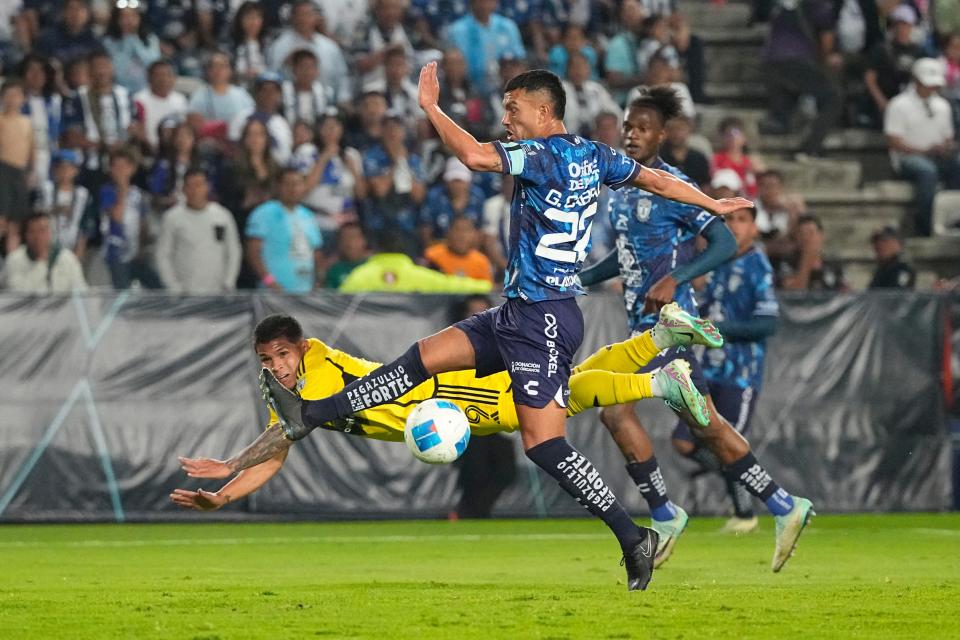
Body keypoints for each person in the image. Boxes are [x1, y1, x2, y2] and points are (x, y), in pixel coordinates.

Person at [187, 65, 751, 592]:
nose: (506, 118)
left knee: (545, 444)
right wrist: (710, 202)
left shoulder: (543, 152)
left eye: (513, 108)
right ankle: (307, 416)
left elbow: (478, 158)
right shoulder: (595, 155)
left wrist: (432, 108)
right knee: (421, 357)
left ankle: (634, 535)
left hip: (545, 318)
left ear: (543, 110)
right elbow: (653, 178)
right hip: (516, 311)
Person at [173, 308, 715, 523]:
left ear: (302, 346)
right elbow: (279, 453)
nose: (278, 367)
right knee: (565, 390)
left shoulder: (316, 366)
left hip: (450, 399)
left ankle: (659, 381)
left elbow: (280, 435)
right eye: (267, 361)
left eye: (283, 355)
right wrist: (224, 495)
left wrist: (228, 464)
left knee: (560, 401)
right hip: (445, 403)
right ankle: (660, 338)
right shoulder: (283, 390)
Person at [578, 87, 813, 574]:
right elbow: (621, 258)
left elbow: (724, 241)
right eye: (628, 126)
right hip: (642, 328)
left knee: (619, 411)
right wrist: (578, 277)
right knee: (701, 426)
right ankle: (782, 504)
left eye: (642, 127)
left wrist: (677, 276)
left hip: (669, 327)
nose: (631, 134)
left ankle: (666, 514)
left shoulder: (673, 185)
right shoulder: (623, 188)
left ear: (663, 135)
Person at [680, 206, 780, 534]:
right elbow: (709, 306)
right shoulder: (719, 263)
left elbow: (766, 324)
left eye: (741, 220)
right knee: (684, 440)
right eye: (729, 220)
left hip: (741, 373)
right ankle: (741, 481)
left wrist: (717, 327)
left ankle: (746, 514)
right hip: (709, 371)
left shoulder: (758, 265)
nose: (734, 226)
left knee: (727, 444)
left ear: (755, 228)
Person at [884, 58, 959, 236]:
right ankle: (925, 225)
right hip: (907, 158)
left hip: (936, 155)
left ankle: (954, 218)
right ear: (916, 80)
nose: (931, 88)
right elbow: (894, 141)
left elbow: (948, 136)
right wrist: (923, 151)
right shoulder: (898, 105)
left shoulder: (943, 106)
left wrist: (945, 147)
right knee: (927, 172)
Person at [155, 170, 242, 294]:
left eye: (199, 185)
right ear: (183, 189)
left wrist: (229, 282)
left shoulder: (222, 215)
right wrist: (174, 287)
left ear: (207, 187)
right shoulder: (172, 218)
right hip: (185, 293)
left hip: (218, 293)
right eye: (190, 186)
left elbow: (234, 250)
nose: (195, 190)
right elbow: (163, 254)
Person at [339, 228, 492, 294]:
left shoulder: (359, 276)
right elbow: (453, 285)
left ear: (376, 248)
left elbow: (338, 300)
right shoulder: (420, 276)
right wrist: (487, 286)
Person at [244, 168, 323, 294]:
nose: (293, 189)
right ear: (278, 187)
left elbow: (316, 252)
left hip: (306, 293)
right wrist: (270, 282)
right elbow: (253, 253)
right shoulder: (264, 212)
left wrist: (318, 283)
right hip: (273, 293)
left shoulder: (308, 215)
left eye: (297, 184)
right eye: (288, 184)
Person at [100, 147, 162, 290]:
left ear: (132, 168)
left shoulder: (139, 195)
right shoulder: (107, 191)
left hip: (135, 254)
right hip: (115, 255)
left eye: (124, 166)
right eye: (116, 166)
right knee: (122, 292)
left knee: (157, 286)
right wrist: (122, 189)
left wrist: (141, 249)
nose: (120, 171)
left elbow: (142, 225)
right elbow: (116, 218)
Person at [447, 0, 526, 96]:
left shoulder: (507, 26)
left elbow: (520, 59)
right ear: (472, 3)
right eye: (481, 1)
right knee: (454, 60)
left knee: (515, 69)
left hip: (503, 81)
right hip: (470, 83)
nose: (485, 5)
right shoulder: (458, 30)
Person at [3, 213, 87, 293]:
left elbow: (82, 294)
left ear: (50, 232)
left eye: (42, 231)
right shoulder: (14, 260)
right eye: (33, 231)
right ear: (26, 235)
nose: (38, 237)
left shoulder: (67, 259)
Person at [36, 149, 94, 258]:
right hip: (46, 247)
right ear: (54, 169)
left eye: (69, 167)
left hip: (71, 247)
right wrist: (53, 210)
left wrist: (77, 256)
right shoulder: (45, 190)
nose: (65, 171)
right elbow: (35, 216)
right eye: (61, 167)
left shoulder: (83, 195)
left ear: (76, 170)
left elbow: (85, 229)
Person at [419, 156, 487, 247]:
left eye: (461, 181)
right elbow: (425, 228)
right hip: (439, 246)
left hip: (468, 249)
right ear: (446, 181)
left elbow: (480, 229)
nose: (457, 185)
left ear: (469, 181)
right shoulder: (434, 196)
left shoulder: (477, 196)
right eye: (453, 181)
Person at [0, 79, 34, 255]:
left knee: (16, 222)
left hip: (20, 173)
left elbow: (31, 149)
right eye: (9, 95)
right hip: (3, 170)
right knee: (2, 219)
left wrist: (30, 171)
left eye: (17, 95)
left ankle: (11, 260)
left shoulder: (27, 122)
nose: (13, 99)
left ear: (23, 98)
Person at [102, 0, 161, 94]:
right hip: (119, 91)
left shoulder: (151, 39)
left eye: (133, 16)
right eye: (124, 17)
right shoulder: (108, 42)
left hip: (147, 91)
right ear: (117, 19)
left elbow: (153, 65)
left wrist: (135, 40)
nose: (129, 20)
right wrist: (127, 41)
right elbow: (117, 70)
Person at [776, 214, 847, 290]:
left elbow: (846, 292)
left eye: (811, 233)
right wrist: (807, 259)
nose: (807, 238)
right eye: (802, 234)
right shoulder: (788, 262)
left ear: (821, 236)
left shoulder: (833, 263)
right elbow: (793, 293)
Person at [132, 60, 188, 154]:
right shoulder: (139, 100)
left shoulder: (180, 100)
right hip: (149, 150)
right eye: (159, 75)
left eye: (168, 75)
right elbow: (138, 131)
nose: (164, 79)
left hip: (176, 151)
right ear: (149, 78)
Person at [423, 215, 494, 283]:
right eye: (457, 229)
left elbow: (488, 290)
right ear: (448, 232)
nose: (461, 235)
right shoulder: (432, 256)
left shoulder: (481, 262)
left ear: (474, 235)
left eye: (466, 230)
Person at [323, 222, 369, 289]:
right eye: (345, 238)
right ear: (339, 243)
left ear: (365, 240)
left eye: (355, 237)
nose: (350, 243)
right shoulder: (335, 271)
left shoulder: (373, 267)